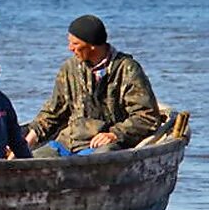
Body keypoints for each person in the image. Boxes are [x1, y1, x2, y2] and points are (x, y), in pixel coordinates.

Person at [25, 14, 160, 157]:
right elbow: (53, 112)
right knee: (34, 159)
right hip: (67, 143)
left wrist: (114, 134)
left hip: (103, 146)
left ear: (93, 46)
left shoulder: (127, 69)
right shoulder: (69, 68)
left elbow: (147, 117)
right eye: (69, 42)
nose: (70, 48)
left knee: (102, 156)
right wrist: (27, 141)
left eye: (75, 44)